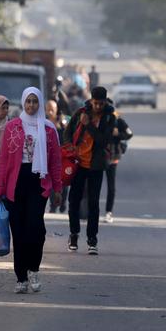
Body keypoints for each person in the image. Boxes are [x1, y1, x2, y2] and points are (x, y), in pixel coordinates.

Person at [0, 88, 63, 294]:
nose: (31, 105)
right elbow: (4, 160)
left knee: (36, 230)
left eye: (35, 102)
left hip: (38, 183)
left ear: (40, 103)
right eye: (28, 101)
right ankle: (21, 277)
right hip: (15, 184)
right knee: (19, 231)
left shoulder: (49, 129)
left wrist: (58, 188)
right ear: (23, 103)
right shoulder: (13, 127)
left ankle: (34, 269)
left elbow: (55, 162)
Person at [63, 86, 117, 255]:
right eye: (96, 103)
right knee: (74, 201)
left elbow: (103, 141)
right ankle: (74, 234)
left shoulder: (109, 118)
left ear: (105, 102)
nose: (98, 107)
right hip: (78, 164)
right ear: (91, 101)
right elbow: (67, 133)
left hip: (95, 166)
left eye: (101, 104)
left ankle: (92, 240)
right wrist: (70, 148)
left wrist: (89, 126)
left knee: (93, 204)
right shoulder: (80, 113)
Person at [104, 106, 133, 224]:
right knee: (92, 184)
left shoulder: (118, 121)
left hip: (113, 157)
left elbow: (129, 134)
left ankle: (108, 212)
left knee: (111, 186)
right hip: (98, 156)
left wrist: (118, 134)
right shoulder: (98, 120)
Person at [46, 99, 69, 214]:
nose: (50, 112)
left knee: (63, 182)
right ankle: (53, 205)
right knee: (51, 182)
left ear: (56, 110)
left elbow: (69, 137)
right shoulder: (43, 122)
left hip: (63, 157)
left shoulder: (62, 122)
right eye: (48, 109)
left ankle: (63, 203)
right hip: (49, 158)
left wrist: (62, 125)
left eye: (52, 109)